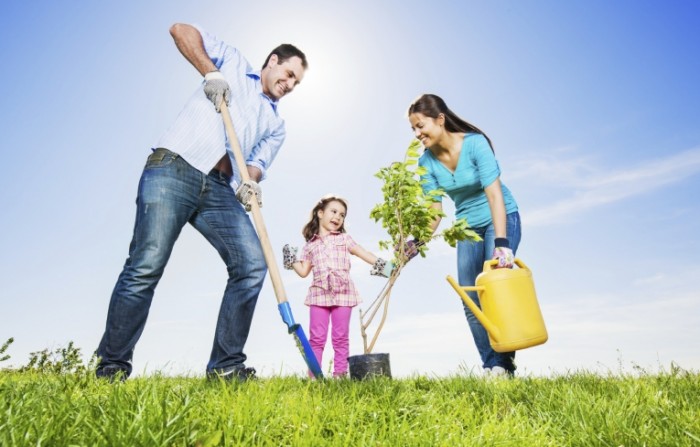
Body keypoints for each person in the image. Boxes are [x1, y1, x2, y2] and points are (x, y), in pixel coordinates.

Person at [95, 23, 308, 382]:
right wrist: (211, 72)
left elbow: (253, 166)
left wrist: (249, 184)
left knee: (252, 264)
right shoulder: (235, 64)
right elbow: (181, 30)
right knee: (146, 264)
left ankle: (226, 366)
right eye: (288, 74)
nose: (289, 85)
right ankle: (112, 366)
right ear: (272, 61)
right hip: (174, 166)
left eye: (296, 83)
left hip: (220, 189)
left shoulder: (275, 123)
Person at [407, 94, 521, 377]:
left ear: (440, 119)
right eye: (413, 129)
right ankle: (492, 365)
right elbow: (434, 213)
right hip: (467, 227)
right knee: (470, 296)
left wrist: (502, 244)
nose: (417, 134)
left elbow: (494, 194)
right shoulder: (426, 164)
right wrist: (414, 243)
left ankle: (501, 365)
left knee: (494, 289)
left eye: (420, 126)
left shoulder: (474, 144)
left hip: (501, 217)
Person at [281, 195, 393, 378]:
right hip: (319, 295)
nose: (338, 217)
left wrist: (386, 267)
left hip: (344, 294)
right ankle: (314, 378)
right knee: (316, 339)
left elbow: (363, 253)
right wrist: (291, 259)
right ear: (320, 213)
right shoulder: (310, 246)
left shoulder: (345, 239)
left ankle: (339, 375)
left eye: (342, 215)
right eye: (334, 211)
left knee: (340, 338)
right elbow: (303, 271)